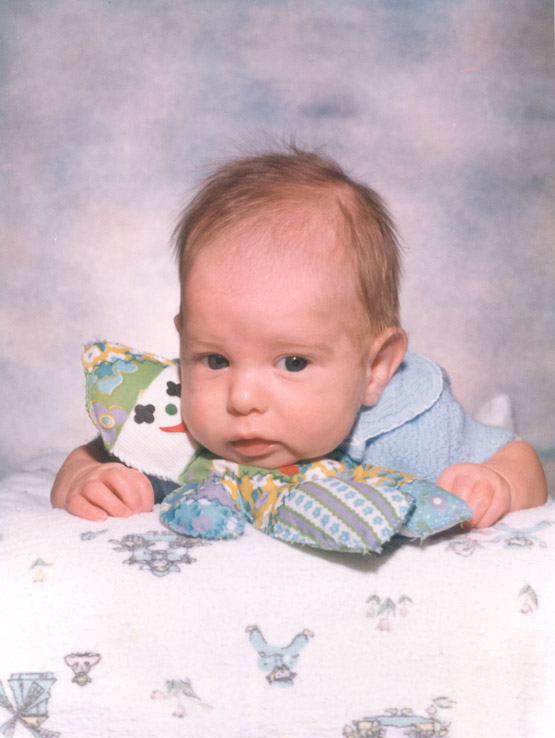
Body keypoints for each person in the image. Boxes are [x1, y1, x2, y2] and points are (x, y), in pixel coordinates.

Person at [51, 146, 547, 529]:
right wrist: (90, 480)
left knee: (485, 442)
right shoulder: (174, 428)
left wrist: (497, 482)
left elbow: (522, 461)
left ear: (375, 368)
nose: (242, 399)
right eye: (216, 360)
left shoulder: (408, 430)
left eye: (292, 362)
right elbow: (88, 458)